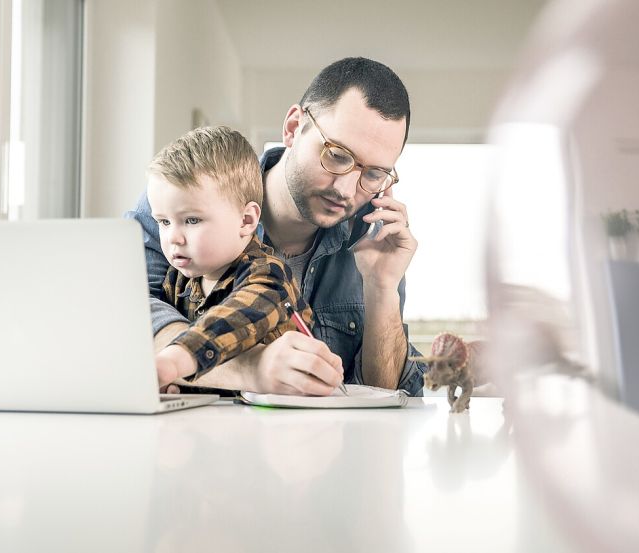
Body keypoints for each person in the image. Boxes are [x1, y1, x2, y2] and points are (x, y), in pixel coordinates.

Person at [127, 57, 427, 396]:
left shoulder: (375, 242)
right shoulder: (183, 203)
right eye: (338, 156)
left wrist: (382, 289)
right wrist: (251, 368)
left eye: (373, 174)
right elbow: (128, 314)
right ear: (293, 127)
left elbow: (380, 397)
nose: (345, 189)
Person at [144, 125, 320, 388]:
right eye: (164, 222)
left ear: (246, 220)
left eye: (191, 220)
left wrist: (174, 360)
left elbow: (235, 317)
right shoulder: (177, 280)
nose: (173, 238)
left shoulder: (269, 275)